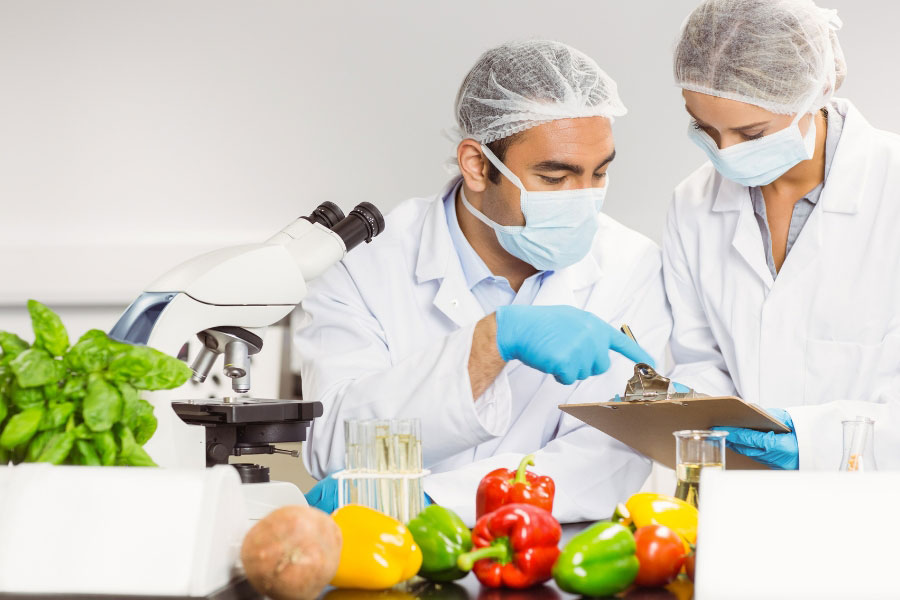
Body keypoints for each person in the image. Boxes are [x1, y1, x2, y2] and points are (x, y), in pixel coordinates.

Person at [296, 40, 673, 524]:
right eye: (554, 178)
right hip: (385, 548)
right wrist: (489, 345)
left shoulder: (632, 265)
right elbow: (332, 444)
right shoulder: (363, 266)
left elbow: (606, 457)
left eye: (598, 173)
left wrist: (433, 502)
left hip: (549, 555)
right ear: (477, 165)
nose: (584, 200)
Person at [666, 0, 900, 471]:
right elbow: (696, 358)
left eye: (751, 133)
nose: (724, 153)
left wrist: (817, 442)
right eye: (704, 129)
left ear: (819, 90)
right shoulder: (692, 203)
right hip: (741, 494)